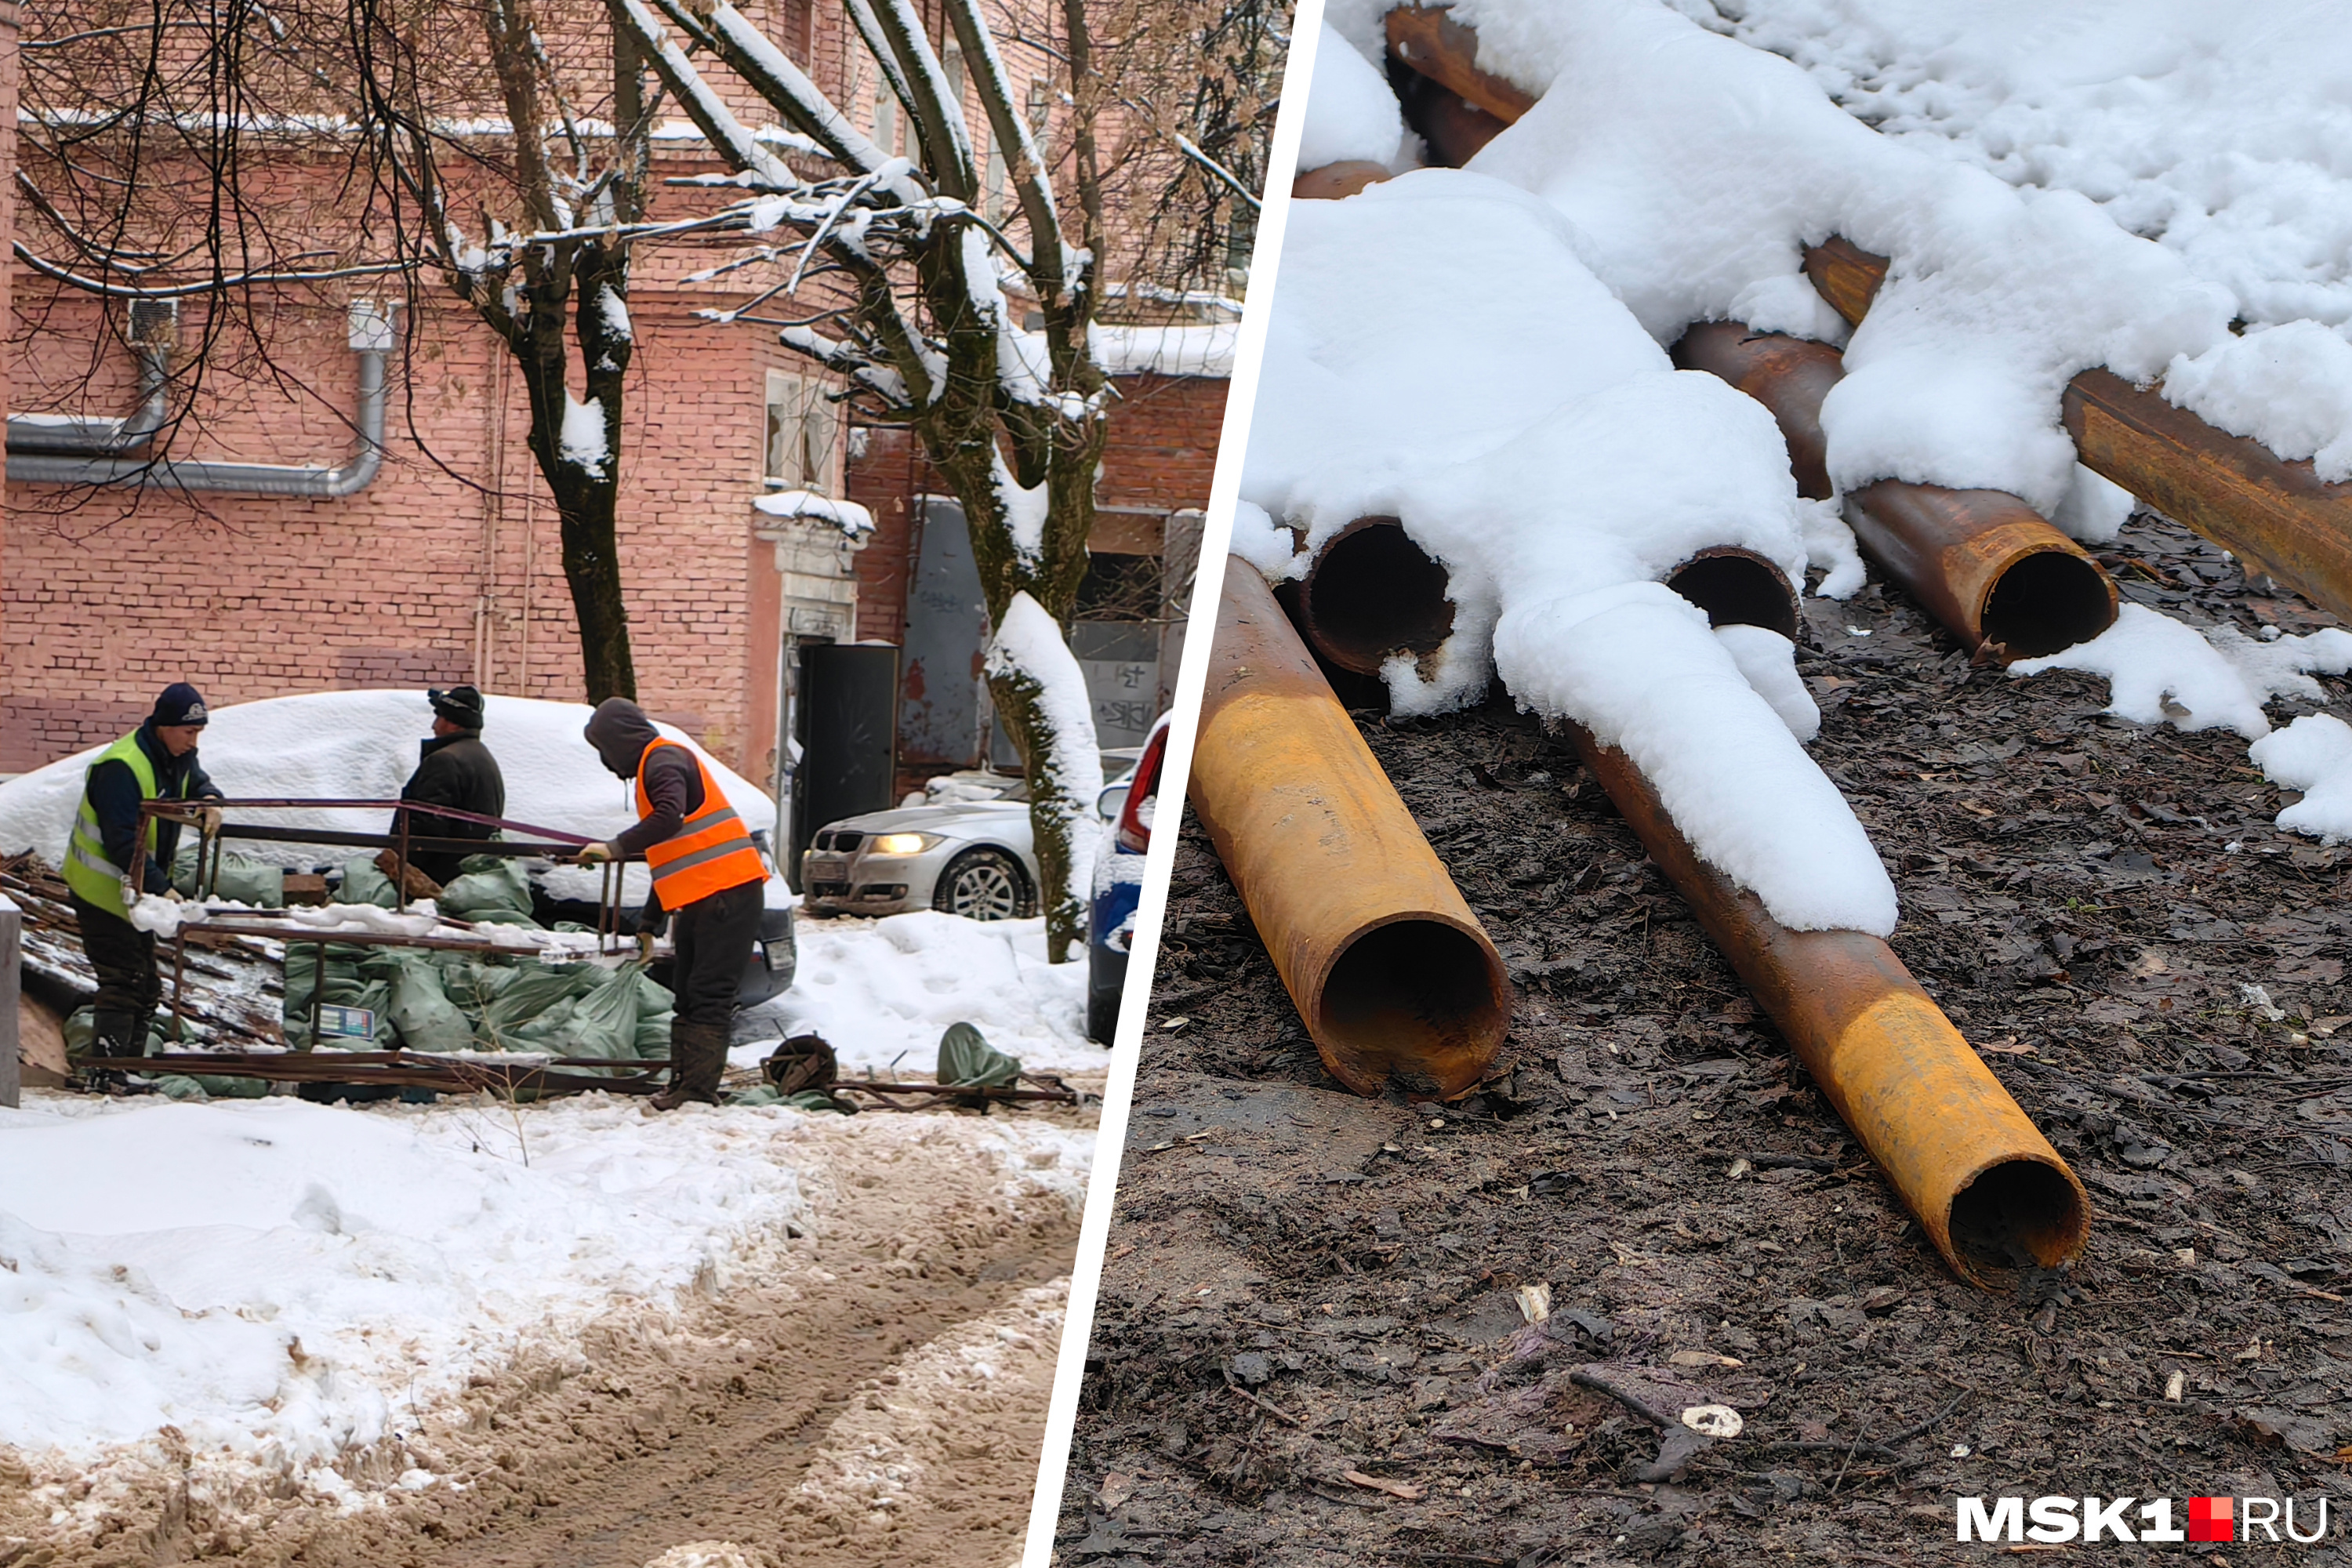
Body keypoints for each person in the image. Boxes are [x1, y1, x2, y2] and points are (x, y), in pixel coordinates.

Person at [579, 699, 768, 1110]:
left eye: (603, 750)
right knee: (686, 993)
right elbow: (673, 857)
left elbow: (669, 819)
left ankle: (696, 1091)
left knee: (708, 993)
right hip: (705, 896)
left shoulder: (662, 761)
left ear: (618, 742)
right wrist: (649, 922)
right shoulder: (655, 763)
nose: (606, 763)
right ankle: (684, 1085)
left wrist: (614, 848)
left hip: (728, 893)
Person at [61, 682, 227, 1059]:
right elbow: (121, 841)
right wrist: (161, 888)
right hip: (100, 889)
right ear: (163, 726)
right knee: (124, 980)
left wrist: (211, 799)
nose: (194, 741)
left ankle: (128, 1066)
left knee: (147, 985)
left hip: (132, 891)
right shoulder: (121, 767)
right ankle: (109, 1073)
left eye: (199, 733)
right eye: (189, 731)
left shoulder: (176, 755)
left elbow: (196, 779)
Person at [381, 685, 505, 891]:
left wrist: (405, 869)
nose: (433, 726)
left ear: (453, 723)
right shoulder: (481, 755)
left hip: (441, 875)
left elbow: (427, 823)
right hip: (465, 871)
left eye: (439, 717)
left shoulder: (445, 760)